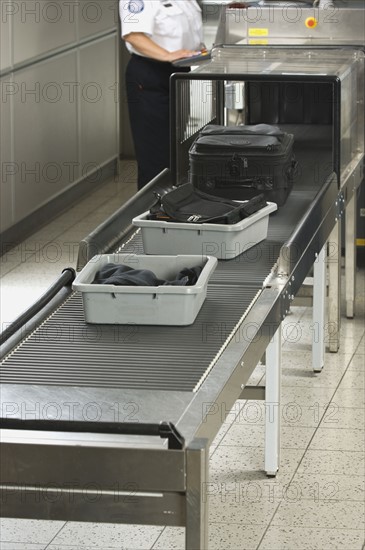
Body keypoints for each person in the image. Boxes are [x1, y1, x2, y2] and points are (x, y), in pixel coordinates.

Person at [119, 0, 204, 189]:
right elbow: (133, 35)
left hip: (179, 71)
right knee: (155, 154)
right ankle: (151, 211)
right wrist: (167, 55)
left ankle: (171, 208)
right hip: (150, 74)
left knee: (174, 149)